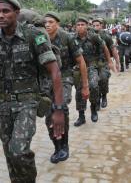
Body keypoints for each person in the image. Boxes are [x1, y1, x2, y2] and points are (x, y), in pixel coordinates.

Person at [0, 0, 65, 183]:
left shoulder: (34, 36)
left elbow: (55, 72)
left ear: (16, 13)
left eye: (5, 11)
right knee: (9, 154)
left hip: (28, 102)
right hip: (3, 104)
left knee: (19, 151)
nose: (0, 15)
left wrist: (58, 109)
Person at [43, 12, 89, 163]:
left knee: (60, 106)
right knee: (48, 114)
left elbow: (81, 61)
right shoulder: (40, 38)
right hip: (46, 79)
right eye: (45, 22)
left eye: (51, 22)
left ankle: (65, 146)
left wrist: (85, 85)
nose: (47, 25)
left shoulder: (67, 38)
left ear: (57, 23)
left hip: (64, 76)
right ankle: (57, 145)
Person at [74, 17, 113, 124]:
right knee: (79, 91)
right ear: (75, 27)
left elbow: (105, 47)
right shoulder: (72, 38)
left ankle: (93, 108)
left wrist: (109, 61)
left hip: (92, 66)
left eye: (83, 24)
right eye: (78, 25)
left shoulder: (94, 37)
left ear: (87, 26)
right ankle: (81, 116)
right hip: (78, 68)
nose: (80, 27)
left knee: (94, 86)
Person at [92, 18, 120, 109]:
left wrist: (117, 62)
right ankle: (96, 100)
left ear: (101, 26)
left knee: (103, 79)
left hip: (104, 62)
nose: (95, 27)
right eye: (94, 25)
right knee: (94, 83)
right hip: (92, 63)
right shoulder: (89, 35)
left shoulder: (106, 36)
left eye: (97, 25)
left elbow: (113, 49)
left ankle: (104, 96)